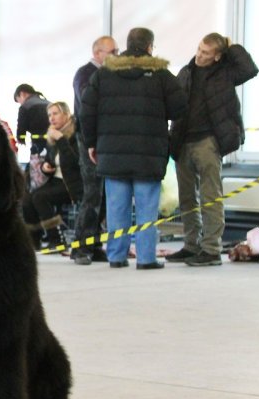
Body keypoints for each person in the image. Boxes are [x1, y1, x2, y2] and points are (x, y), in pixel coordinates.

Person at [80, 27, 187, 270]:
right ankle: (146, 258)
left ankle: (116, 257)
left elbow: (86, 110)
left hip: (112, 152)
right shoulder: (160, 73)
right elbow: (179, 107)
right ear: (150, 46)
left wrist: (91, 143)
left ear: (126, 45)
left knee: (117, 207)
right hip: (148, 152)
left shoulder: (104, 73)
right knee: (147, 208)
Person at [168, 33, 259, 267]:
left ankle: (211, 248)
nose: (199, 55)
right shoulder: (186, 72)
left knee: (211, 196)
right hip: (182, 141)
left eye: (206, 53)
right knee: (187, 198)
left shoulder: (226, 73)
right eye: (199, 49)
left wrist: (231, 46)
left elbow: (250, 69)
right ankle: (191, 244)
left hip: (208, 141)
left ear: (218, 56)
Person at [70, 35, 118, 265]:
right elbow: (89, 107)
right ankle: (80, 245)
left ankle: (95, 243)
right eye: (113, 51)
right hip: (89, 140)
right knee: (92, 194)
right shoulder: (85, 74)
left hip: (103, 140)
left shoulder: (106, 74)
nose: (117, 55)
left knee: (104, 194)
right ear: (98, 52)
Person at [23, 101, 83, 249]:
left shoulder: (75, 135)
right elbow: (51, 161)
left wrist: (61, 140)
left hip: (72, 184)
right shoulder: (52, 136)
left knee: (39, 197)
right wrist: (45, 167)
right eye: (49, 115)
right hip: (55, 181)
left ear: (66, 114)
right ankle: (34, 239)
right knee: (27, 199)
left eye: (55, 114)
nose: (51, 118)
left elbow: (75, 162)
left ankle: (56, 237)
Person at [13, 83, 50, 155]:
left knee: (37, 163)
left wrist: (21, 139)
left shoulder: (25, 106)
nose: (20, 103)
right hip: (54, 139)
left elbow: (21, 126)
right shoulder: (49, 103)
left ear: (22, 94)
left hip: (38, 142)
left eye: (19, 100)